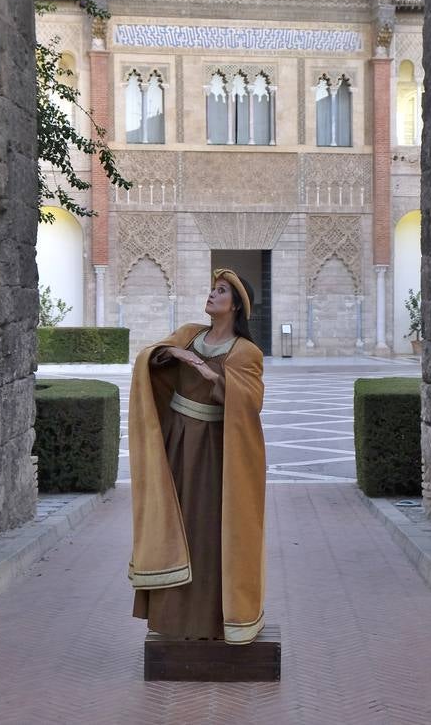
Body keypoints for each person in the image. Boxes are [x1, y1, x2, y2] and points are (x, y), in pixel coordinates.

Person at [128, 268, 266, 645]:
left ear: (236, 305)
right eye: (211, 289)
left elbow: (251, 402)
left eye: (221, 291)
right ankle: (172, 618)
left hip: (212, 453)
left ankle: (208, 621)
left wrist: (206, 371)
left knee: (205, 530)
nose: (212, 295)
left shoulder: (246, 351)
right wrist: (171, 353)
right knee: (172, 524)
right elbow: (151, 358)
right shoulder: (190, 334)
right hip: (177, 443)